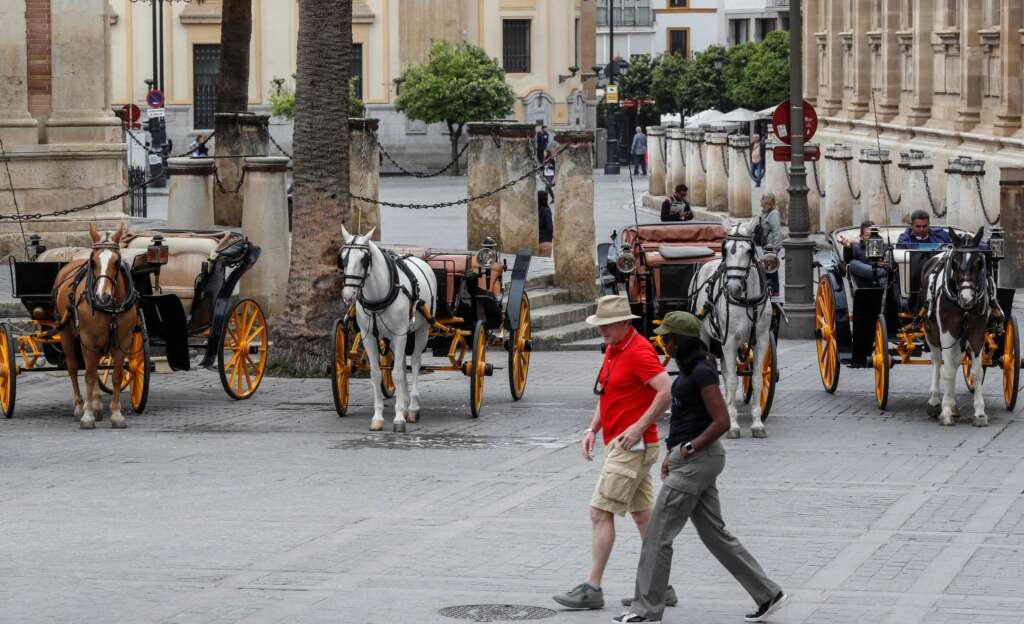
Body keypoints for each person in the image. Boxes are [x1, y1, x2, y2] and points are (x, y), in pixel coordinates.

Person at [614, 311, 787, 624]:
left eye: (667, 338)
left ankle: (646, 609)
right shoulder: (691, 368)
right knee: (715, 534)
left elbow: (721, 421)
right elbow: (686, 418)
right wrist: (672, 453)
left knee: (657, 534)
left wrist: (688, 449)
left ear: (681, 340)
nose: (663, 342)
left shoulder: (702, 372)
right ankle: (768, 593)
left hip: (697, 461)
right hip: (692, 459)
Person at [553, 295, 674, 612]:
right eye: (599, 326)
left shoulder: (639, 351)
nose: (601, 331)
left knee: (599, 512)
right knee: (642, 515)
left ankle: (592, 588)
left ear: (624, 323)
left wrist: (637, 427)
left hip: (631, 446)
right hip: (625, 444)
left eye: (606, 326)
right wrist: (592, 428)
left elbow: (666, 391)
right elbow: (607, 392)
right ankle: (662, 586)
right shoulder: (614, 348)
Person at [838, 220, 888, 288]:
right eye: (867, 235)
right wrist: (848, 247)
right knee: (853, 263)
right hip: (864, 279)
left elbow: (891, 262)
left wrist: (886, 262)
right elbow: (847, 261)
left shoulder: (885, 246)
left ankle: (885, 293)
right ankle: (881, 273)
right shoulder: (855, 247)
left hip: (881, 279)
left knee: (886, 275)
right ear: (861, 237)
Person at [759, 193, 783, 297]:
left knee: (772, 271)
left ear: (767, 202)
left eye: (763, 200)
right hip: (764, 247)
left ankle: (774, 294)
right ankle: (765, 291)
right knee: (765, 270)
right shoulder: (765, 213)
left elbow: (776, 231)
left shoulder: (773, 214)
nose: (761, 202)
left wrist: (776, 249)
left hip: (770, 247)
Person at [537, 149, 555, 257]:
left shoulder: (537, 211)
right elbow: (549, 226)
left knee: (548, 188)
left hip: (539, 239)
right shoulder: (546, 211)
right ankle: (552, 196)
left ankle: (552, 196)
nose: (543, 153)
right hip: (545, 240)